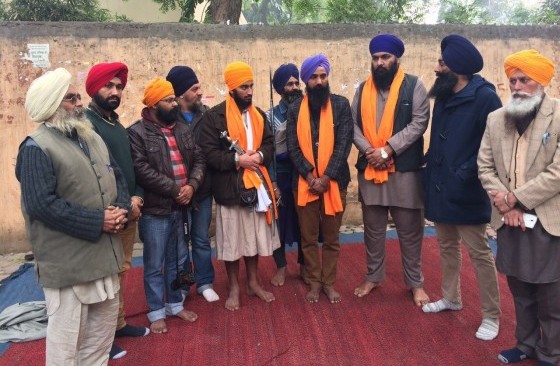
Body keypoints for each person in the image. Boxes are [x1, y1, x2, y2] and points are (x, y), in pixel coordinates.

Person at [15, 67, 130, 365]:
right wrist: (99, 221)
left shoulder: (90, 138)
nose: (79, 103)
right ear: (52, 106)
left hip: (105, 260)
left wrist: (121, 211)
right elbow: (42, 205)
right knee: (66, 350)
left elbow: (116, 176)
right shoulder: (35, 148)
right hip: (69, 269)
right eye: (71, 99)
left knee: (99, 343)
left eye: (78, 97)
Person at [478, 49, 560, 366]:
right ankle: (525, 345)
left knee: (551, 296)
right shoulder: (497, 119)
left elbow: (557, 172)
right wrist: (504, 202)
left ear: (540, 82)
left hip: (546, 219)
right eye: (512, 79)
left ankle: (551, 353)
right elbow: (485, 167)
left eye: (524, 79)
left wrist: (516, 199)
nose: (517, 86)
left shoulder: (558, 114)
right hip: (509, 219)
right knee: (521, 289)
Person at [422, 35, 502, 341]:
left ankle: (491, 315)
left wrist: (465, 171)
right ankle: (451, 298)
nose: (436, 68)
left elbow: (494, 145)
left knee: (479, 252)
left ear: (457, 67)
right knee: (446, 246)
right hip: (440, 185)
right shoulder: (443, 94)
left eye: (441, 63)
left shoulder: (486, 97)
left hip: (468, 187)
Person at [351, 34, 430, 307]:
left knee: (410, 231)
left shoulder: (415, 85)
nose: (380, 63)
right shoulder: (362, 89)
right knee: (372, 229)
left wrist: (388, 149)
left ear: (397, 59)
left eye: (385, 57)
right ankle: (373, 277)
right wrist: (370, 152)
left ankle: (415, 283)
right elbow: (352, 126)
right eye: (376, 58)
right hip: (371, 169)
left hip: (404, 171)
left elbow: (419, 123)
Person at [199, 61, 280, 311]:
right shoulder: (214, 116)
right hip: (229, 189)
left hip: (256, 186)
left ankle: (253, 282)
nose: (249, 91)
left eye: (251, 86)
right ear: (232, 88)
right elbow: (209, 154)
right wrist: (237, 160)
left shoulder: (258, 115)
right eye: (244, 87)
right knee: (232, 241)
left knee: (253, 239)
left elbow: (269, 143)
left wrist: (259, 157)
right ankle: (234, 286)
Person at [127, 78, 204, 333]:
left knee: (179, 259)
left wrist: (191, 186)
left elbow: (199, 159)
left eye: (174, 99)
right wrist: (174, 190)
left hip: (182, 208)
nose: (174, 103)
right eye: (168, 100)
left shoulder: (182, 129)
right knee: (154, 263)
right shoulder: (136, 133)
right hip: (156, 211)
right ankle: (156, 311)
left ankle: (174, 304)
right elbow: (141, 170)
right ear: (152, 105)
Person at [85, 62, 150, 359]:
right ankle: (101, 340)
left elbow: (130, 168)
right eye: (108, 86)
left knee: (121, 272)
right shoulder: (85, 125)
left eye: (119, 87)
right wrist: (122, 205)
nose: (114, 91)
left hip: (129, 210)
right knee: (104, 278)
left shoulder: (115, 123)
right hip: (109, 215)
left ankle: (119, 323)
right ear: (93, 89)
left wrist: (136, 197)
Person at [286, 53, 353, 304]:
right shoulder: (295, 109)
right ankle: (313, 282)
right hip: (303, 184)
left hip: (335, 183)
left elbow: (344, 143)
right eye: (313, 77)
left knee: (333, 239)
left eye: (323, 76)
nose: (319, 81)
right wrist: (310, 177)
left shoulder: (341, 105)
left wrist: (325, 178)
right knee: (309, 239)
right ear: (305, 80)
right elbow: (293, 147)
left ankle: (329, 283)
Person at [166, 66, 219, 302]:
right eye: (194, 88)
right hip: (175, 192)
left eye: (199, 87)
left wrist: (195, 185)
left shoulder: (207, 116)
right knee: (179, 242)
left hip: (203, 189)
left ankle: (205, 282)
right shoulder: (167, 118)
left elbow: (210, 152)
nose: (199, 92)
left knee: (200, 238)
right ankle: (185, 284)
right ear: (179, 95)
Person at [267, 63, 304, 286]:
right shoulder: (270, 116)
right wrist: (272, 182)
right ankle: (281, 267)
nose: (294, 87)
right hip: (280, 176)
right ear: (280, 88)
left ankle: (304, 265)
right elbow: (268, 153)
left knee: (304, 223)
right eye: (289, 84)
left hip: (302, 175)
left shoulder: (307, 110)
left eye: (296, 83)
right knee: (278, 226)